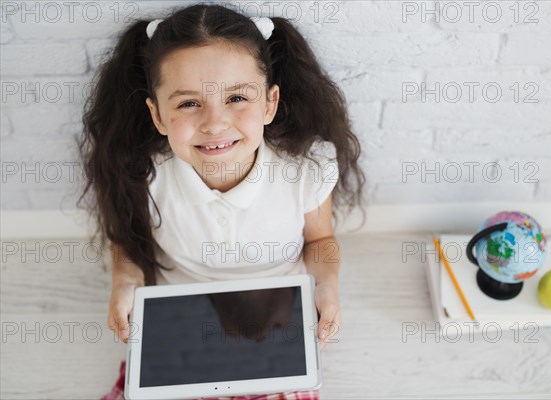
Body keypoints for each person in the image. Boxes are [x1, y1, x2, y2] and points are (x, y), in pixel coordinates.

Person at [77, 3, 365, 399]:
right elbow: (126, 240)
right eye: (189, 103)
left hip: (278, 323)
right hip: (180, 320)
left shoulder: (304, 170)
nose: (214, 123)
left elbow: (320, 241)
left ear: (269, 102)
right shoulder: (144, 173)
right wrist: (125, 279)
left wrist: (327, 284)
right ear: (157, 115)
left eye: (236, 98)